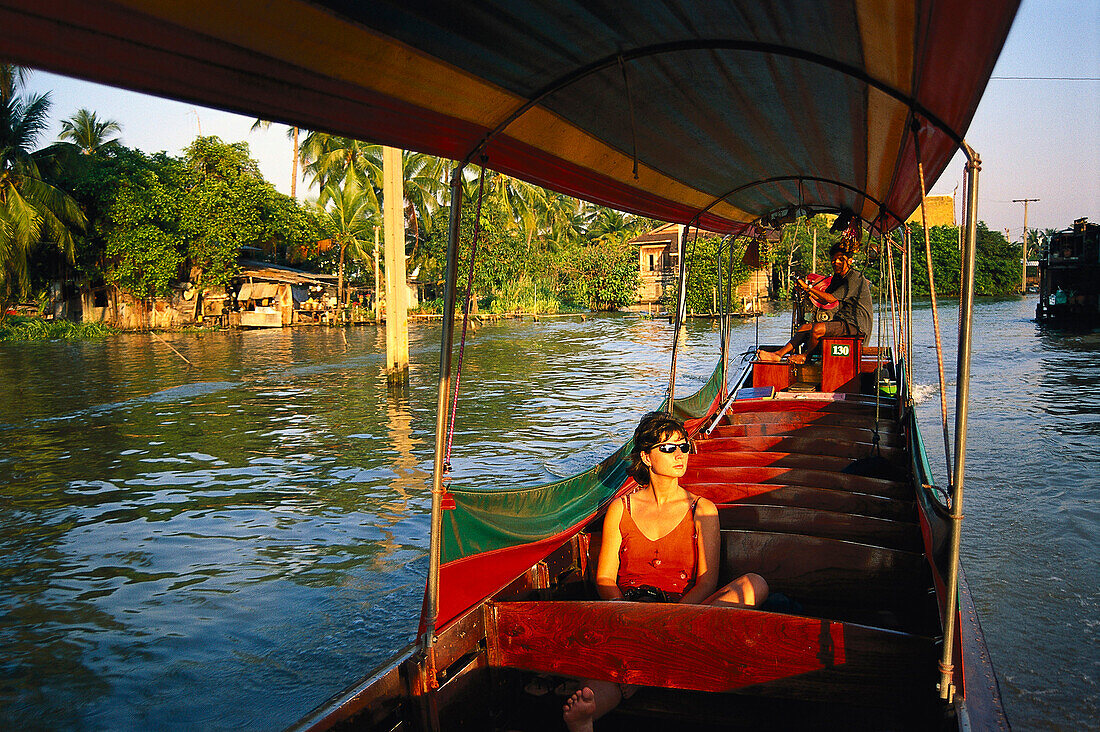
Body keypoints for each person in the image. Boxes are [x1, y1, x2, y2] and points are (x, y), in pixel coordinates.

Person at [562, 411, 768, 732]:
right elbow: (604, 578)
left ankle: (648, 661)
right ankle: (586, 716)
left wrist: (666, 622)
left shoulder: (702, 509)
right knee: (600, 682)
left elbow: (707, 582)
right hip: (630, 612)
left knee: (755, 584)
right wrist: (628, 615)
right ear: (646, 456)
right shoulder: (622, 507)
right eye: (669, 449)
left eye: (684, 447)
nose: (680, 455)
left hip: (685, 617)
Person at [756, 242, 872, 365]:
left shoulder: (855, 277)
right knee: (803, 328)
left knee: (817, 329)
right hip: (843, 321)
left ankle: (805, 356)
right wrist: (806, 291)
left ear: (849, 261)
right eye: (834, 259)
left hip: (856, 325)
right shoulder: (837, 278)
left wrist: (808, 288)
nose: (836, 262)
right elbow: (823, 300)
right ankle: (778, 355)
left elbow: (830, 299)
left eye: (841, 259)